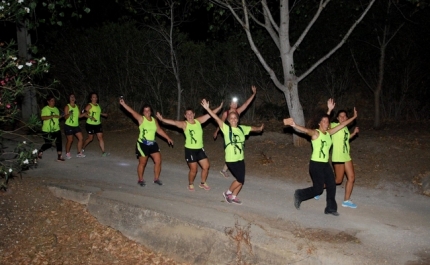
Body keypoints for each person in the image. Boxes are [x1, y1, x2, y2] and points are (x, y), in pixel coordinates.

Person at [283, 107, 357, 216]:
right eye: (324, 121)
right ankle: (300, 194)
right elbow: (306, 130)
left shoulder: (329, 133)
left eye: (327, 121)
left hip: (325, 164)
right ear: (319, 123)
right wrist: (294, 125)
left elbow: (342, 125)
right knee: (318, 189)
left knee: (331, 184)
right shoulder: (316, 133)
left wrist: (354, 117)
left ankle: (330, 208)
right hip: (316, 164)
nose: (326, 123)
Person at [202, 99, 264, 205]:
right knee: (239, 179)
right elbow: (216, 118)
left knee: (242, 180)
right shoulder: (226, 129)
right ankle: (228, 192)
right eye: (231, 118)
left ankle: (233, 197)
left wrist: (259, 128)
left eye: (235, 118)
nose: (233, 119)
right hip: (231, 159)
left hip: (240, 159)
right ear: (229, 120)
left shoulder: (242, 128)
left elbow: (251, 128)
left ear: (238, 119)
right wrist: (208, 109)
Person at [156, 102, 224, 191]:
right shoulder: (184, 124)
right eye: (187, 114)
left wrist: (219, 107)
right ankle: (190, 184)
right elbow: (174, 122)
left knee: (206, 166)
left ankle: (202, 183)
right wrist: (163, 120)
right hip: (190, 150)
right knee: (194, 170)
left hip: (200, 149)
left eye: (191, 113)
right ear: (185, 116)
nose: (190, 115)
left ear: (194, 114)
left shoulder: (198, 121)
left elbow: (210, 115)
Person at [119, 98, 173, 187]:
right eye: (145, 110)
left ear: (151, 111)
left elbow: (159, 130)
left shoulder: (154, 120)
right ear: (143, 112)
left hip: (152, 143)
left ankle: (156, 179)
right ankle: (140, 179)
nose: (147, 112)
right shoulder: (141, 119)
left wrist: (168, 138)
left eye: (148, 110)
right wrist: (124, 104)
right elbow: (132, 112)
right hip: (142, 144)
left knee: (158, 160)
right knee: (143, 163)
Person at [214, 85, 257, 178]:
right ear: (230, 105)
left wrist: (253, 94)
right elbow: (220, 122)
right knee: (232, 150)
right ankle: (225, 169)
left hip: (237, 132)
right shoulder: (226, 113)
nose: (234, 105)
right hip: (229, 133)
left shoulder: (238, 111)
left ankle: (224, 170)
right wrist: (216, 131)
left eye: (236, 103)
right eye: (232, 103)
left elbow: (246, 104)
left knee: (235, 151)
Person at [327, 99, 360, 208]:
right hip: (338, 156)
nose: (343, 118)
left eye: (344, 116)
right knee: (338, 180)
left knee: (351, 177)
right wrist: (329, 110)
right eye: (340, 116)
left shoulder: (345, 128)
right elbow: (324, 124)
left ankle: (346, 200)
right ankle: (318, 188)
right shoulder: (333, 125)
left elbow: (345, 139)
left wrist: (353, 134)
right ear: (337, 118)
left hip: (346, 156)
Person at [38, 95, 65, 162]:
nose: (53, 102)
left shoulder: (56, 109)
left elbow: (57, 118)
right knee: (48, 144)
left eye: (54, 101)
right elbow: (43, 118)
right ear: (48, 102)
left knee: (59, 142)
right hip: (47, 129)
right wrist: (52, 116)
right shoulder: (45, 109)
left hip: (56, 129)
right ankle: (40, 151)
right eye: (52, 101)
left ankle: (59, 156)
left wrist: (61, 116)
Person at [82, 92, 109, 156]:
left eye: (96, 97)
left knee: (100, 137)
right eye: (93, 97)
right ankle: (82, 147)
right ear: (91, 98)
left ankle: (103, 152)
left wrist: (103, 114)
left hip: (98, 124)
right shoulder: (89, 105)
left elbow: (97, 113)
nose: (95, 98)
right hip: (90, 124)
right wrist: (90, 117)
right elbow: (83, 114)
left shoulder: (98, 105)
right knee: (90, 138)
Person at [64, 94, 87, 159]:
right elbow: (65, 117)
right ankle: (67, 153)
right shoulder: (67, 106)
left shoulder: (76, 106)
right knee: (70, 140)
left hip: (76, 125)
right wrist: (69, 114)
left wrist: (85, 114)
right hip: (68, 125)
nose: (72, 98)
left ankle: (79, 153)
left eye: (74, 97)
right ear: (69, 99)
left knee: (81, 138)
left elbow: (79, 116)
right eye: (71, 97)